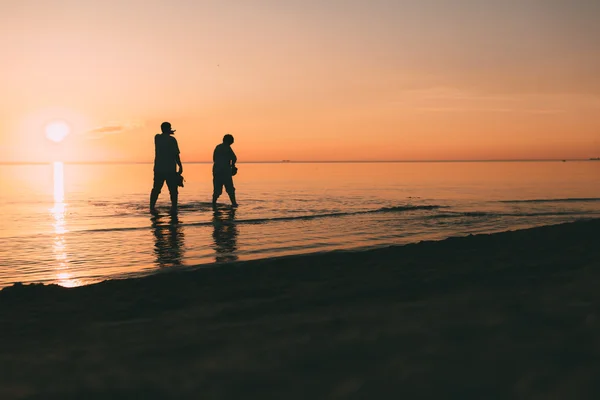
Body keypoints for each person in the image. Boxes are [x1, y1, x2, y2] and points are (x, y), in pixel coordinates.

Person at [150, 122, 183, 213]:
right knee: (173, 190)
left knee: (156, 189)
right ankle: (174, 207)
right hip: (170, 169)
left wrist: (168, 133)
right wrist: (180, 165)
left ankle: (152, 207)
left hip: (159, 168)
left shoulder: (157, 138)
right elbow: (176, 155)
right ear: (169, 129)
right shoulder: (172, 140)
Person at [212, 134, 238, 207]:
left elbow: (214, 159)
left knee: (217, 190)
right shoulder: (227, 147)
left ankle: (213, 203)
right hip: (225, 171)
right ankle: (234, 203)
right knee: (230, 189)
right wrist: (233, 166)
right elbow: (234, 158)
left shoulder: (218, 147)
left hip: (216, 171)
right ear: (229, 141)